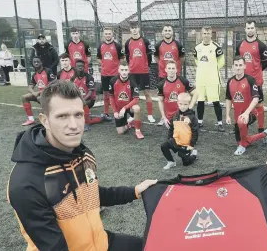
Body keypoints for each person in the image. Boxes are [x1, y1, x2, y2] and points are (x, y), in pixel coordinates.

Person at [8, 82, 157, 251]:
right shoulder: (26, 183)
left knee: (152, 246)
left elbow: (92, 194)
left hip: (100, 243)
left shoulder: (82, 154)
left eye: (78, 115)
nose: (73, 125)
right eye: (62, 116)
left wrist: (136, 190)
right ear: (45, 120)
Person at [225, 56, 267, 155]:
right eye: (236, 65)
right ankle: (263, 134)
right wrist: (227, 115)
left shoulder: (250, 80)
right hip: (238, 117)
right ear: (233, 67)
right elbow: (228, 98)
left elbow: (256, 98)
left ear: (244, 66)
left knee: (242, 123)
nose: (238, 67)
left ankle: (243, 146)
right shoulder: (230, 81)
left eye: (240, 65)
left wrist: (246, 113)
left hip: (251, 114)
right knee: (242, 140)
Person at [235, 20, 267, 142]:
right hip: (243, 82)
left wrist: (255, 74)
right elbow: (237, 61)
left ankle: (261, 130)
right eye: (248, 28)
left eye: (252, 28)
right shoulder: (240, 45)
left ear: (255, 29)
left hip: (256, 81)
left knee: (259, 105)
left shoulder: (261, 45)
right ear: (245, 29)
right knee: (243, 103)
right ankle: (243, 127)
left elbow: (264, 64)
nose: (250, 30)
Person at [193, 25, 226, 132]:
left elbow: (221, 61)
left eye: (208, 33)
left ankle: (220, 123)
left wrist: (212, 68)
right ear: (201, 34)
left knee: (216, 101)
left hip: (213, 79)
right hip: (200, 79)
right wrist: (203, 68)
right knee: (200, 101)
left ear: (211, 34)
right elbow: (196, 60)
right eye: (204, 33)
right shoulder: (197, 48)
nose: (206, 35)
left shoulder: (216, 47)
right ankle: (200, 121)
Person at [124, 21, 155, 123]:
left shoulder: (145, 41)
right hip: (132, 72)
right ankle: (132, 115)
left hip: (144, 72)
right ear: (130, 30)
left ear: (138, 29)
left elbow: (149, 56)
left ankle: (150, 115)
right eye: (132, 28)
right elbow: (128, 57)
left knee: (147, 93)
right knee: (132, 94)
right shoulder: (128, 42)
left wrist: (147, 66)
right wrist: (131, 66)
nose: (134, 29)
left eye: (135, 27)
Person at [161, 92, 199, 170]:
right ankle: (171, 162)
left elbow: (195, 132)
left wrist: (191, 145)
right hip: (175, 140)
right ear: (177, 103)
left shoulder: (192, 118)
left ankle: (194, 154)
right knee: (164, 146)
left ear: (189, 104)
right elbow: (171, 127)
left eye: (185, 104)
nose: (183, 106)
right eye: (181, 104)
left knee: (186, 163)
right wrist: (169, 139)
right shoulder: (176, 115)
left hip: (185, 144)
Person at [109, 61, 144, 139]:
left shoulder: (132, 82)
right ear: (118, 70)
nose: (124, 72)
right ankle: (128, 124)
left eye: (125, 70)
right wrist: (115, 111)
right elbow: (111, 97)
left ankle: (137, 131)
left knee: (137, 108)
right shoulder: (113, 81)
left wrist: (124, 108)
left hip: (128, 107)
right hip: (118, 108)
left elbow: (136, 99)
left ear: (129, 71)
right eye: (122, 70)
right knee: (120, 132)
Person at [157, 60, 198, 127]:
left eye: (173, 68)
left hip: (183, 116)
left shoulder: (183, 81)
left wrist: (189, 108)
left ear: (176, 70)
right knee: (173, 136)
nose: (171, 70)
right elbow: (160, 101)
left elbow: (195, 93)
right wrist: (164, 117)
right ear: (166, 70)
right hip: (170, 118)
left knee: (184, 135)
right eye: (169, 68)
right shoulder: (161, 84)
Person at [97, 27, 123, 121]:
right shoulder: (101, 46)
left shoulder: (117, 46)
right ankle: (106, 113)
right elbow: (99, 58)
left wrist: (116, 66)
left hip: (115, 75)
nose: (108, 35)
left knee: (116, 94)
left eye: (109, 33)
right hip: (104, 74)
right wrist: (104, 64)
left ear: (112, 34)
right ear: (104, 35)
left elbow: (122, 59)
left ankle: (118, 112)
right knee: (105, 94)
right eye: (106, 34)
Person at [21, 56, 56, 126]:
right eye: (34, 62)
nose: (36, 63)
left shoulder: (48, 71)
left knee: (40, 98)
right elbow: (30, 87)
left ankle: (49, 119)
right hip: (40, 94)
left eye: (38, 62)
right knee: (24, 97)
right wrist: (34, 93)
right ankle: (31, 119)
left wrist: (38, 93)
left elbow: (51, 85)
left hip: (50, 94)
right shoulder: (34, 74)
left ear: (41, 63)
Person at [71, 59, 103, 131]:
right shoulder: (73, 78)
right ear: (75, 67)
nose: (80, 67)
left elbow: (90, 93)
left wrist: (81, 100)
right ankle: (94, 117)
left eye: (82, 66)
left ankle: (87, 123)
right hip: (78, 99)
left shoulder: (89, 77)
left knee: (83, 104)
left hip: (89, 99)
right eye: (78, 66)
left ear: (84, 67)